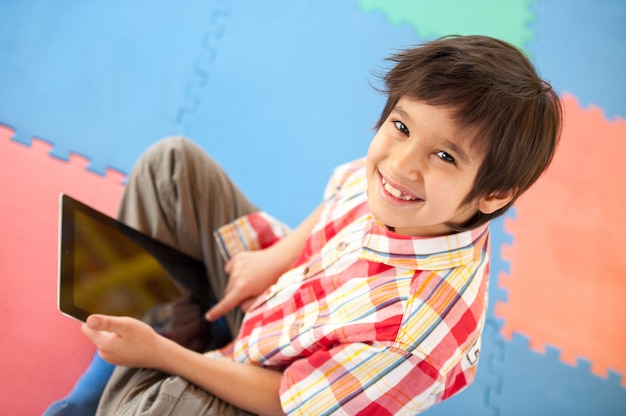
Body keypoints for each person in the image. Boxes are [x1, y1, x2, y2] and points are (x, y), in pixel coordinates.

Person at [45, 35, 561, 415]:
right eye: (400, 126)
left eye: (445, 156)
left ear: (493, 193)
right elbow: (341, 193)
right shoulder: (401, 187)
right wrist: (274, 258)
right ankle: (149, 346)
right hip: (277, 304)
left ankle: (131, 361)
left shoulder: (415, 341)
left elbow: (286, 400)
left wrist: (163, 354)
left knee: (161, 407)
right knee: (171, 166)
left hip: (265, 385)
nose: (402, 163)